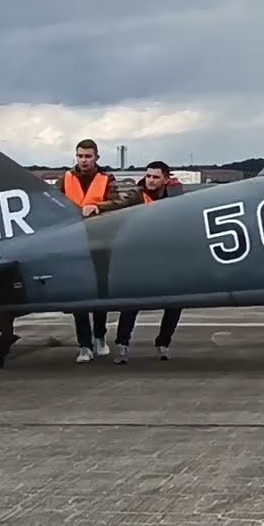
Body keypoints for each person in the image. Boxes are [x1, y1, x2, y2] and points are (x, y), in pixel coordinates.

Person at [95, 161, 184, 363]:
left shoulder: (176, 197)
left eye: (155, 177)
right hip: (139, 256)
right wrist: (96, 207)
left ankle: (163, 343)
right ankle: (122, 345)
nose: (150, 181)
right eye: (149, 176)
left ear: (166, 179)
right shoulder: (137, 195)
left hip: (167, 256)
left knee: (175, 302)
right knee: (132, 301)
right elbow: (117, 204)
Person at [56, 138, 118, 363]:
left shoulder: (106, 179)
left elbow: (117, 203)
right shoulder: (66, 178)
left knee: (100, 294)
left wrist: (98, 207)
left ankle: (100, 337)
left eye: (88, 156)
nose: (83, 160)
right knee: (79, 297)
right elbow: (53, 202)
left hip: (98, 242)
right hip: (71, 243)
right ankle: (84, 345)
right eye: (80, 156)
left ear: (96, 158)